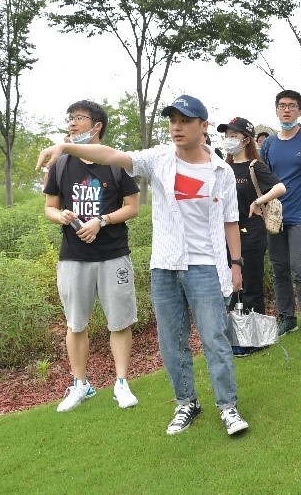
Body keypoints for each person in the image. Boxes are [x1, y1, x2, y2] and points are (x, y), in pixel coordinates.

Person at [37, 94, 249, 436]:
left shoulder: (220, 170)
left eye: (185, 121)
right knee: (172, 341)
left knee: (214, 338)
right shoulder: (158, 159)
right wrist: (66, 147)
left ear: (203, 126)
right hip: (165, 265)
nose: (177, 127)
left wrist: (235, 263)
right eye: (173, 121)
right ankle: (186, 403)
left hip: (207, 266)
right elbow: (110, 155)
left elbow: (229, 220)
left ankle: (228, 407)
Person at [42, 100, 140, 412]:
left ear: (97, 126)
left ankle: (121, 383)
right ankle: (80, 384)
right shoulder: (60, 164)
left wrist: (102, 221)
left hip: (113, 254)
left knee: (120, 322)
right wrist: (62, 216)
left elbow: (133, 207)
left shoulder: (116, 162)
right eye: (69, 118)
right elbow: (49, 207)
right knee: (75, 324)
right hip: (73, 256)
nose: (72, 123)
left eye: (79, 118)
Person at [261, 90, 301, 344]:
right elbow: (263, 180)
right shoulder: (268, 144)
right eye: (282, 106)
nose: (286, 110)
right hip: (274, 219)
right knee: (279, 270)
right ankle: (287, 318)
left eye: (291, 106)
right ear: (276, 110)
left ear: (299, 110)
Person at [218, 117, 286, 357]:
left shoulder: (254, 167)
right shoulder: (223, 167)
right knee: (232, 285)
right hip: (228, 231)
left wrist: (258, 202)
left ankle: (254, 339)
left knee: (250, 284)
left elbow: (280, 187)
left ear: (246, 139)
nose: (229, 140)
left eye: (233, 136)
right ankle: (236, 336)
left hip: (251, 230)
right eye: (227, 136)